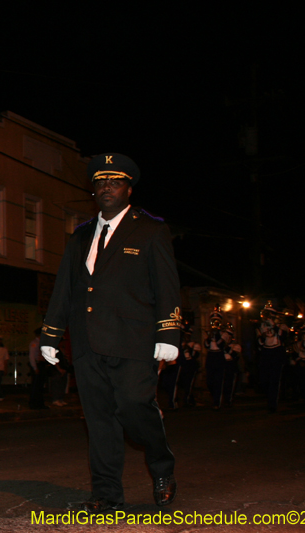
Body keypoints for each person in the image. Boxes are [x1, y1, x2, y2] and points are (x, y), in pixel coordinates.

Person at [40, 153, 182, 512]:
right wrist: (50, 336)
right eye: (101, 182)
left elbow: (167, 287)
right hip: (88, 344)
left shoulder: (150, 230)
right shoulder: (81, 236)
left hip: (134, 343)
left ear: (128, 189)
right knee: (100, 422)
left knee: (135, 407)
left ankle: (162, 467)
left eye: (115, 182)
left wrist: (168, 334)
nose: (106, 188)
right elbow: (65, 289)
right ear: (94, 190)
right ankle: (106, 494)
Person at [29, 328, 48, 409]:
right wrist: (35, 367)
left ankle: (40, 403)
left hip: (42, 364)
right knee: (36, 385)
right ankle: (34, 403)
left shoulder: (41, 343)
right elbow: (32, 356)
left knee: (40, 385)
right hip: (37, 364)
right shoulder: (34, 343)